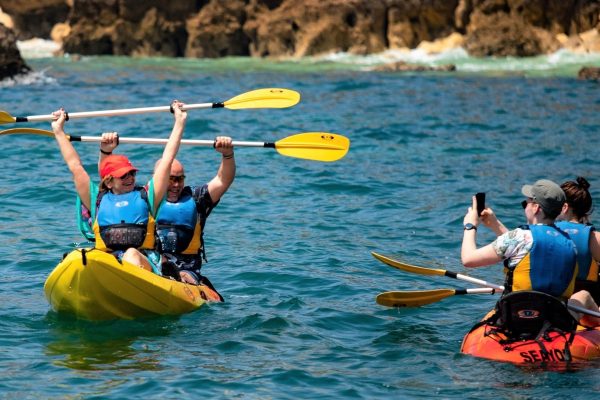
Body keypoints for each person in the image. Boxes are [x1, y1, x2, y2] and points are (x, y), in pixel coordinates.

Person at [51, 100, 187, 272]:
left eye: (132, 173)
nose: (130, 178)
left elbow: (167, 159)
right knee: (80, 255)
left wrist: (179, 121)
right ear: (109, 181)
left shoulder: (148, 195)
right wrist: (58, 130)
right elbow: (75, 166)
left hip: (142, 260)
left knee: (130, 254)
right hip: (109, 261)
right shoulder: (96, 200)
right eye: (123, 175)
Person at [462, 179, 600, 326]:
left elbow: (468, 259)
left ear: (536, 208)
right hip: (557, 320)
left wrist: (470, 225)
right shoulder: (570, 244)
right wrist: (495, 224)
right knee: (583, 296)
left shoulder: (518, 236)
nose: (525, 206)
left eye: (526, 203)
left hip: (516, 315)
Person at [154, 137, 235, 294]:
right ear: (160, 177)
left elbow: (222, 180)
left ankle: (180, 281)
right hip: (152, 264)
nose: (176, 185)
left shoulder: (197, 199)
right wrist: (106, 151)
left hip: (187, 271)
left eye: (180, 179)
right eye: (171, 179)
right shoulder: (144, 198)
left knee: (183, 276)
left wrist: (228, 155)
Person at [556, 177, 600, 304]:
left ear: (564, 207)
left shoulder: (545, 232)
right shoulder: (595, 238)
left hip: (553, 299)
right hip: (586, 304)